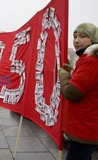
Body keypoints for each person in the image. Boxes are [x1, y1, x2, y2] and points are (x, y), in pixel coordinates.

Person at [59, 23, 98, 160]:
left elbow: (71, 92)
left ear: (93, 39)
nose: (76, 40)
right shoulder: (87, 59)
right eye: (75, 36)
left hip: (84, 131)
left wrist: (63, 75)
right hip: (85, 128)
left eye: (82, 36)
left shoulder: (92, 61)